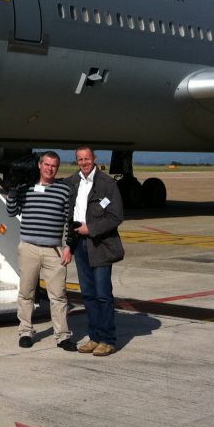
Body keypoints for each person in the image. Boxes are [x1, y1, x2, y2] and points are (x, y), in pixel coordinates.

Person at [6, 151, 77, 351]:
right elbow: (11, 211)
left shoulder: (63, 191)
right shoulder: (25, 188)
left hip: (54, 250)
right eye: (46, 164)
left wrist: (69, 246)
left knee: (58, 295)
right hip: (28, 248)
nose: (49, 169)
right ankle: (26, 331)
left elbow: (69, 222)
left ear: (58, 167)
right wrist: (12, 190)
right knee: (26, 292)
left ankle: (62, 336)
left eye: (54, 166)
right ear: (39, 165)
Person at [64, 146, 124, 356]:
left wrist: (91, 228)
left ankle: (108, 339)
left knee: (102, 295)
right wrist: (70, 243)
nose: (84, 163)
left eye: (87, 159)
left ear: (94, 159)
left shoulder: (107, 184)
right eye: (80, 159)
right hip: (80, 245)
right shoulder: (72, 182)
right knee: (88, 295)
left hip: (99, 244)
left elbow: (116, 216)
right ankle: (95, 336)